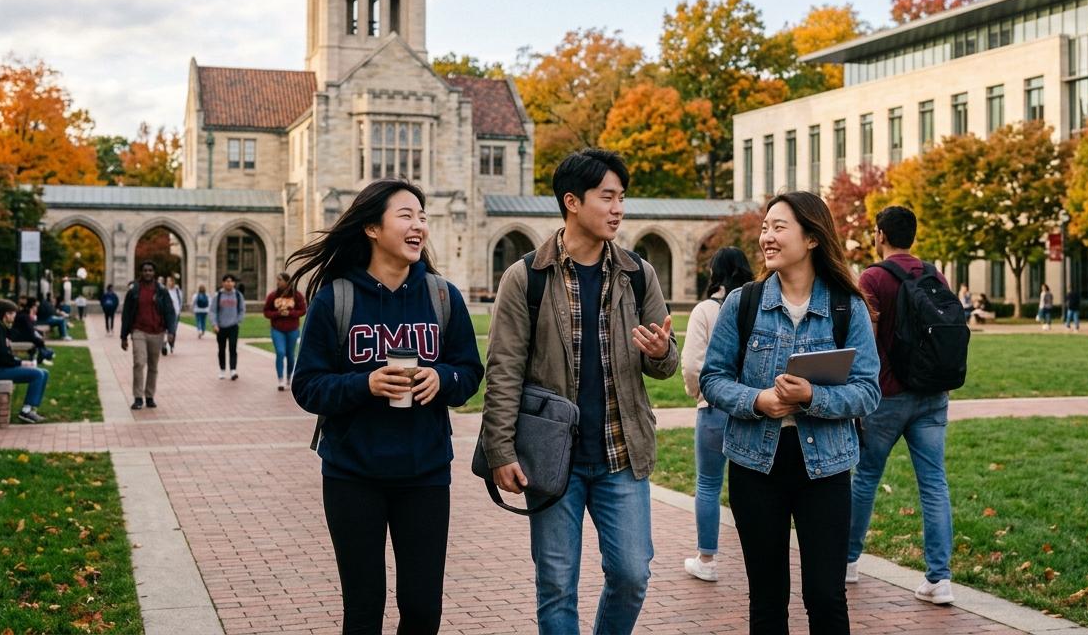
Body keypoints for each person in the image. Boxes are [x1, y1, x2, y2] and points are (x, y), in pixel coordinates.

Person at [482, 149, 679, 635]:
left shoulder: (638, 274)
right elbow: (503, 370)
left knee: (632, 575)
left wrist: (659, 351)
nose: (618, 208)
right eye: (607, 197)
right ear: (572, 201)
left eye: (622, 197)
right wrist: (500, 449)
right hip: (553, 461)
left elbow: (666, 362)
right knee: (556, 585)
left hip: (621, 454)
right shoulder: (525, 277)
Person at [290, 178, 483, 635]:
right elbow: (308, 386)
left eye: (423, 216)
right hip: (352, 475)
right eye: (407, 215)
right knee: (363, 608)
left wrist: (444, 378)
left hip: (426, 474)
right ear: (372, 228)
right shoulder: (335, 299)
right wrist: (366, 384)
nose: (419, 225)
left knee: (421, 610)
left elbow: (470, 372)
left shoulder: (442, 297)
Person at [699, 191, 880, 634]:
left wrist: (812, 397)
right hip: (755, 466)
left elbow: (868, 391)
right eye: (765, 227)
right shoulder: (743, 303)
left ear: (812, 238)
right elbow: (712, 378)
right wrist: (757, 401)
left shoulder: (846, 306)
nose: (767, 237)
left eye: (779, 227)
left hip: (826, 469)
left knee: (825, 596)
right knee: (766, 598)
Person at [846, 206, 956, 608]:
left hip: (886, 395)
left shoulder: (872, 277)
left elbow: (866, 337)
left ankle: (848, 562)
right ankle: (939, 580)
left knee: (866, 478)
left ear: (879, 235)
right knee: (933, 483)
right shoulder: (934, 274)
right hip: (931, 394)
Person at [681, 247, 754, 583]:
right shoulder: (755, 306)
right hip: (753, 408)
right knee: (753, 486)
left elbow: (693, 363)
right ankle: (757, 553)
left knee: (708, 484)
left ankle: (706, 559)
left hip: (713, 408)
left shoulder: (705, 310)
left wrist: (698, 394)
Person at [0, 299, 48, 424]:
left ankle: (32, 409)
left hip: (2, 367)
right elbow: (1, 356)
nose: (15, 316)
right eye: (13, 313)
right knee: (37, 374)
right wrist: (21, 363)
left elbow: (5, 350)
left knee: (44, 372)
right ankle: (25, 411)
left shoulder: (1, 328)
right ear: (6, 315)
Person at [120, 261, 178, 410]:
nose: (147, 273)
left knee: (153, 365)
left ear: (154, 273)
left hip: (157, 332)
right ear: (141, 272)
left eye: (150, 270)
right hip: (139, 330)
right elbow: (126, 314)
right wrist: (123, 336)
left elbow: (170, 312)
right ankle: (138, 397)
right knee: (139, 362)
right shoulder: (133, 291)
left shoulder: (161, 291)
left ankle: (150, 396)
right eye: (145, 270)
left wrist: (171, 331)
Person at [265, 272, 307, 391]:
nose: (277, 282)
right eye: (277, 279)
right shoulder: (273, 296)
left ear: (287, 281)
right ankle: (280, 380)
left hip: (292, 329)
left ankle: (289, 377)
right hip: (277, 329)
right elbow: (266, 311)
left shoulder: (297, 295)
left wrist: (290, 313)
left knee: (290, 355)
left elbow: (303, 310)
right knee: (280, 352)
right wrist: (278, 313)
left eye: (280, 280)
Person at [213, 274, 246, 381]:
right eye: (226, 281)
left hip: (233, 326)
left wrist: (238, 321)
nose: (229, 283)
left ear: (234, 283)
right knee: (221, 349)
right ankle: (222, 370)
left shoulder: (237, 295)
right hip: (221, 327)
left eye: (231, 281)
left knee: (233, 348)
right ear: (223, 283)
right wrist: (214, 324)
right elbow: (212, 311)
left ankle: (233, 370)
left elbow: (242, 309)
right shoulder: (218, 296)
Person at [10, 298, 54, 364]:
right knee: (39, 342)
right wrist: (39, 339)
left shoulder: (25, 315)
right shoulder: (25, 317)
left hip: (18, 336)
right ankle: (43, 355)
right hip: (18, 337)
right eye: (36, 306)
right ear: (32, 307)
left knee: (39, 340)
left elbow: (29, 330)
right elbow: (29, 333)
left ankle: (43, 354)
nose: (37, 308)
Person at [164, 275, 183, 355]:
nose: (170, 283)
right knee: (164, 330)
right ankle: (164, 344)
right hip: (166, 314)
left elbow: (180, 301)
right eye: (168, 281)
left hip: (175, 314)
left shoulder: (178, 291)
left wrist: (179, 311)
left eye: (171, 281)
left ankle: (171, 344)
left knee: (173, 331)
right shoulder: (164, 291)